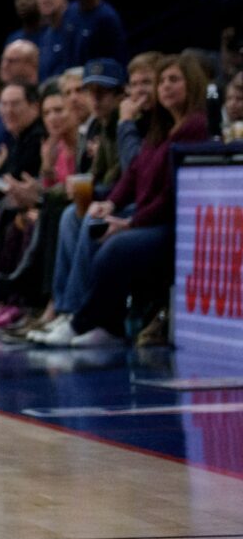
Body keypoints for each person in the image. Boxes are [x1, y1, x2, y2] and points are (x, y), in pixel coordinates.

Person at [29, 51, 210, 347]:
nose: (163, 87)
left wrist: (128, 223)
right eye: (161, 80)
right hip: (148, 214)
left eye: (173, 80)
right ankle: (88, 320)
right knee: (86, 219)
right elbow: (134, 173)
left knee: (112, 244)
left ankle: (80, 321)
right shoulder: (162, 127)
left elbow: (170, 195)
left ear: (192, 84)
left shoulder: (193, 127)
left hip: (172, 223)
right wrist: (111, 204)